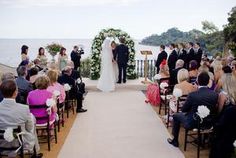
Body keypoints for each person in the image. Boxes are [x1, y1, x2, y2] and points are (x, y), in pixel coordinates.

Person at [167, 72, 218, 147]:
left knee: (176, 116)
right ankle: (201, 139)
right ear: (208, 82)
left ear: (198, 81)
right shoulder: (214, 94)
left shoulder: (193, 95)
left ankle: (175, 141)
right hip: (208, 123)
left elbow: (184, 109)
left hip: (193, 122)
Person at [0, 80, 42, 158]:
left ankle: (36, 151)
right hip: (19, 145)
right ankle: (35, 151)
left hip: (1, 144)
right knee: (32, 122)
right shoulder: (24, 108)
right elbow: (29, 128)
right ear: (15, 93)